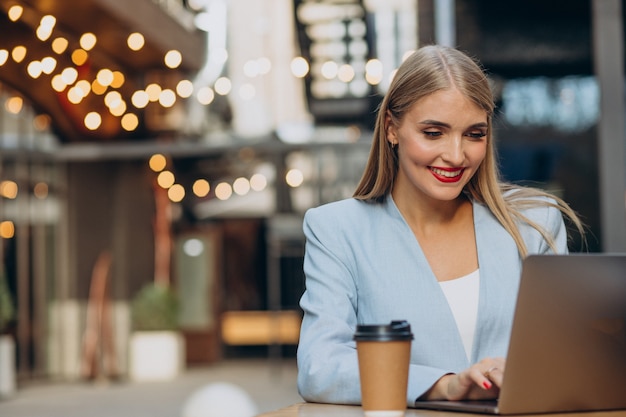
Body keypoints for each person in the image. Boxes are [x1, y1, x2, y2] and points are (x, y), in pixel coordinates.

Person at [296, 44, 585, 407]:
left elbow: (567, 354)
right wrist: (444, 385)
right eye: (434, 133)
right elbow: (319, 368)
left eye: (474, 134)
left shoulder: (534, 222)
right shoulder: (337, 229)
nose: (456, 155)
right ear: (391, 129)